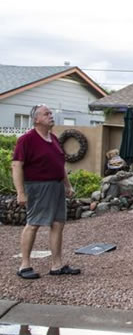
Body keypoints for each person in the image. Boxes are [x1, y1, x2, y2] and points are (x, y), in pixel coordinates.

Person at [12, 104, 80, 279]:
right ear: (36, 119)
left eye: (50, 113)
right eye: (46, 113)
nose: (51, 116)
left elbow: (60, 165)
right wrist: (20, 192)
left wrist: (67, 185)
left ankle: (57, 265)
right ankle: (24, 265)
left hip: (56, 186)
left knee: (58, 223)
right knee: (33, 223)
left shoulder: (54, 138)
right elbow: (17, 165)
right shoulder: (26, 139)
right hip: (37, 186)